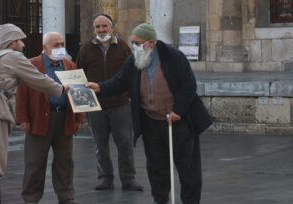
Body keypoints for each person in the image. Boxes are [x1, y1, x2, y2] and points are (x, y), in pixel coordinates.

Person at [86, 23, 210, 204]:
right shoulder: (135, 59)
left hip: (178, 122)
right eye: (133, 42)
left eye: (138, 42)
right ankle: (160, 200)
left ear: (151, 43)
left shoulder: (173, 57)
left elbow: (188, 86)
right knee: (157, 169)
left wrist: (178, 111)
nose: (134, 46)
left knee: (188, 169)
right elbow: (120, 81)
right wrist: (100, 87)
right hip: (151, 122)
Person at [0, 24, 68, 204]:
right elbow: (37, 79)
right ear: (12, 42)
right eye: (20, 40)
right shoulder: (13, 57)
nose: (23, 44)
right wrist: (61, 89)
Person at [75, 14, 143, 191]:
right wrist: (81, 106)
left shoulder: (123, 47)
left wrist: (131, 96)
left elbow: (133, 73)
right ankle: (105, 178)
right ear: (94, 28)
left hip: (120, 104)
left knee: (125, 144)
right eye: (98, 27)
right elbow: (78, 75)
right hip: (95, 105)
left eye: (104, 26)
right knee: (100, 146)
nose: (101, 30)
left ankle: (129, 179)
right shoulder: (85, 49)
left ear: (112, 27)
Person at [15, 32, 84, 204]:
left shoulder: (70, 65)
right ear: (45, 48)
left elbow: (80, 94)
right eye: (55, 45)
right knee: (34, 162)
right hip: (38, 119)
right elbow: (21, 94)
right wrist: (22, 118)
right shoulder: (32, 64)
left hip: (64, 118)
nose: (60, 48)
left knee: (65, 162)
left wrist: (80, 118)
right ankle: (31, 198)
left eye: (62, 44)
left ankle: (66, 197)